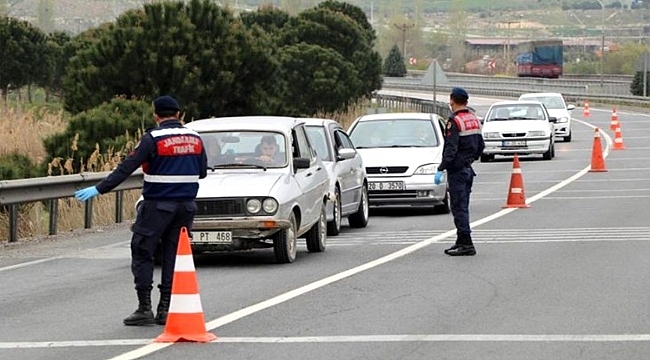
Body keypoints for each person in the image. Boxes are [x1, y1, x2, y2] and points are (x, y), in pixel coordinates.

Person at [74, 95, 208, 325]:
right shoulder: (195, 138)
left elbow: (125, 168)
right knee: (173, 255)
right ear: (178, 114)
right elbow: (203, 171)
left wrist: (99, 189)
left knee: (142, 250)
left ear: (156, 115)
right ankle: (165, 308)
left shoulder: (152, 139)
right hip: (186, 207)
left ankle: (144, 307)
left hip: (157, 206)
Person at [435, 87, 485, 256]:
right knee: (462, 206)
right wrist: (469, 159)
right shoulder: (473, 119)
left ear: (452, 101)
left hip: (457, 171)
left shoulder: (454, 121)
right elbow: (481, 147)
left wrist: (442, 167)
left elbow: (451, 148)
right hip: (468, 169)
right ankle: (461, 240)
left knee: (459, 207)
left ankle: (467, 243)